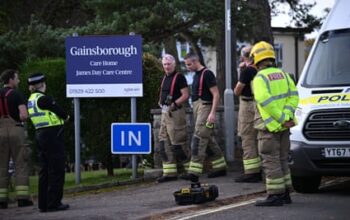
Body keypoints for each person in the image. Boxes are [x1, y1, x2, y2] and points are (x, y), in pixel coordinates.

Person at [250, 41, 299, 206]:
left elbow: (265, 100)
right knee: (283, 159)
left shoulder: (259, 78)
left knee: (271, 160)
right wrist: (286, 116)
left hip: (268, 128)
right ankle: (285, 193)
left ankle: (275, 195)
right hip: (285, 126)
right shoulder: (284, 75)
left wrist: (279, 117)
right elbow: (294, 96)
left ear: (257, 59)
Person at [180, 52, 227, 182]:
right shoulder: (196, 75)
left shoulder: (207, 74)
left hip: (206, 108)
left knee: (199, 138)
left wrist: (212, 113)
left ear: (196, 61)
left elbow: (216, 95)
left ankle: (194, 172)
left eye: (189, 64)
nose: (187, 67)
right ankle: (220, 167)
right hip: (198, 108)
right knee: (207, 138)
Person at [27, 72, 70, 212]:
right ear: (42, 84)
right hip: (52, 136)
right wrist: (67, 117)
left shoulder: (31, 99)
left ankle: (43, 204)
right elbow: (61, 113)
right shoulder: (44, 99)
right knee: (56, 170)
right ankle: (54, 203)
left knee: (44, 171)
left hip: (40, 135)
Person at [0, 69, 33, 209]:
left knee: (1, 166)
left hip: (0, 131)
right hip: (16, 130)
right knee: (21, 164)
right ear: (11, 80)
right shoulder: (16, 94)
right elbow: (24, 115)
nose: (18, 81)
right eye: (17, 78)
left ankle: (2, 200)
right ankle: (22, 199)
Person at [156, 54, 190, 183]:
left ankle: (190, 171)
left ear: (174, 64)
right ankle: (169, 173)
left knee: (179, 143)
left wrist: (174, 104)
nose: (166, 66)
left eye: (169, 64)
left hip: (175, 113)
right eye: (164, 64)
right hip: (165, 113)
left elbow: (185, 95)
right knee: (164, 142)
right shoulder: (165, 77)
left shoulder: (179, 77)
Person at [233, 46, 262, 183]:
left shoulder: (247, 71)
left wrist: (242, 70)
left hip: (247, 105)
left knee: (247, 137)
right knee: (258, 137)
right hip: (259, 105)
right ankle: (260, 168)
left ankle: (251, 172)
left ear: (244, 57)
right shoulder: (260, 69)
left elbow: (237, 91)